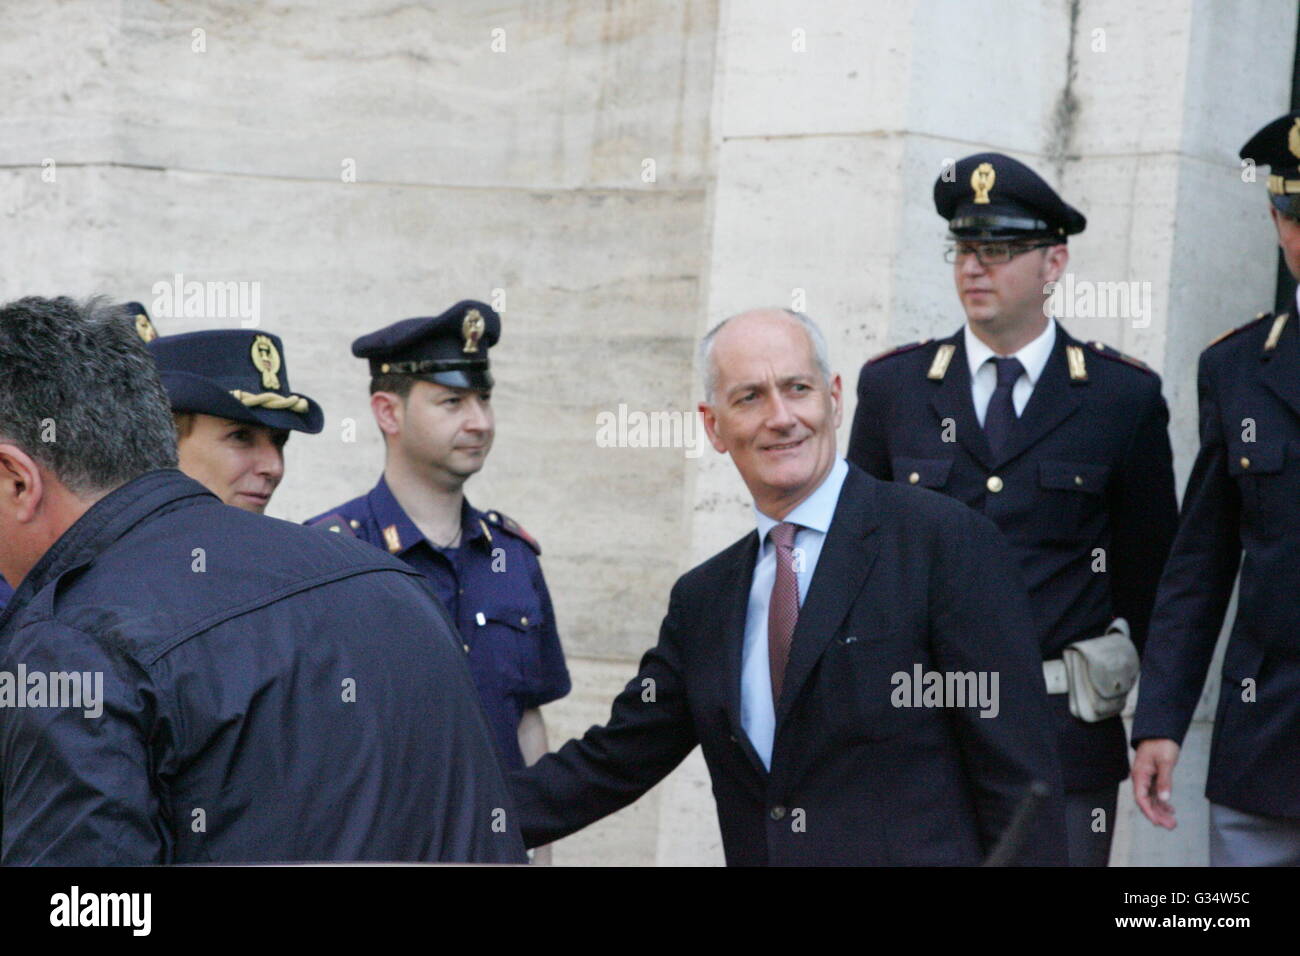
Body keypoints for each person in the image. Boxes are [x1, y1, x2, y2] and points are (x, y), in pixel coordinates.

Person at [509, 308, 1067, 865]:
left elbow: (1020, 780)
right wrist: (456, 816)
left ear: (834, 398)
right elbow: (613, 760)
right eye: (749, 397)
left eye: (797, 389)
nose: (780, 417)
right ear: (713, 425)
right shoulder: (703, 601)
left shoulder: (942, 543)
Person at [0, 296, 525, 864]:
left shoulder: (76, 638)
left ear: (18, 480)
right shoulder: (394, 583)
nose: (270, 464)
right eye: (241, 437)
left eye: (279, 441)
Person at [846, 153, 1179, 866]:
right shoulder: (895, 388)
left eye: (997, 250)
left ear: (1053, 262)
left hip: (1061, 740)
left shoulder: (1121, 399)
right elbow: (851, 564)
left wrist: (1159, 723)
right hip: (917, 734)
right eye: (964, 249)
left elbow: (1156, 581)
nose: (973, 267)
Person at [307, 300, 569, 858]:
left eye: (485, 398)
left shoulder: (513, 557)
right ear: (388, 412)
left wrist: (540, 856)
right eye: (452, 401)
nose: (479, 421)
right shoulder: (328, 558)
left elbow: (527, 723)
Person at [1131, 111, 1300, 865]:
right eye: (1297, 216)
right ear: (1275, 220)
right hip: (1267, 744)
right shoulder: (1236, 369)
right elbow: (1200, 562)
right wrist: (1160, 718)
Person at [134, 302, 324, 514]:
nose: (274, 467)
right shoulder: (115, 547)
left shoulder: (278, 546)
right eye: (240, 437)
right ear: (163, 444)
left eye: (280, 441)